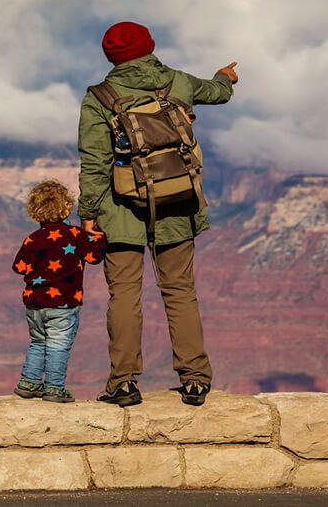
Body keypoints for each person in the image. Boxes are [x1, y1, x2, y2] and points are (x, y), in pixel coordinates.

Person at [77, 21, 238, 408]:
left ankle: (124, 383)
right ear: (149, 46)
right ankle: (196, 379)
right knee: (180, 292)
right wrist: (226, 77)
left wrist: (88, 213)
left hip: (120, 210)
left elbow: (95, 163)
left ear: (110, 56)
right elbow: (217, 93)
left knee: (125, 295)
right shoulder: (177, 83)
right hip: (177, 204)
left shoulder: (100, 98)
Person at [12, 179, 107, 403]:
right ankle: (54, 388)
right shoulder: (75, 235)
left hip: (34, 303)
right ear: (67, 207)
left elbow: (19, 267)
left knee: (38, 342)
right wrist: (99, 237)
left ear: (34, 211)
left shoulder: (32, 239)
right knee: (58, 345)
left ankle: (29, 382)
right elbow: (94, 257)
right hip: (63, 303)